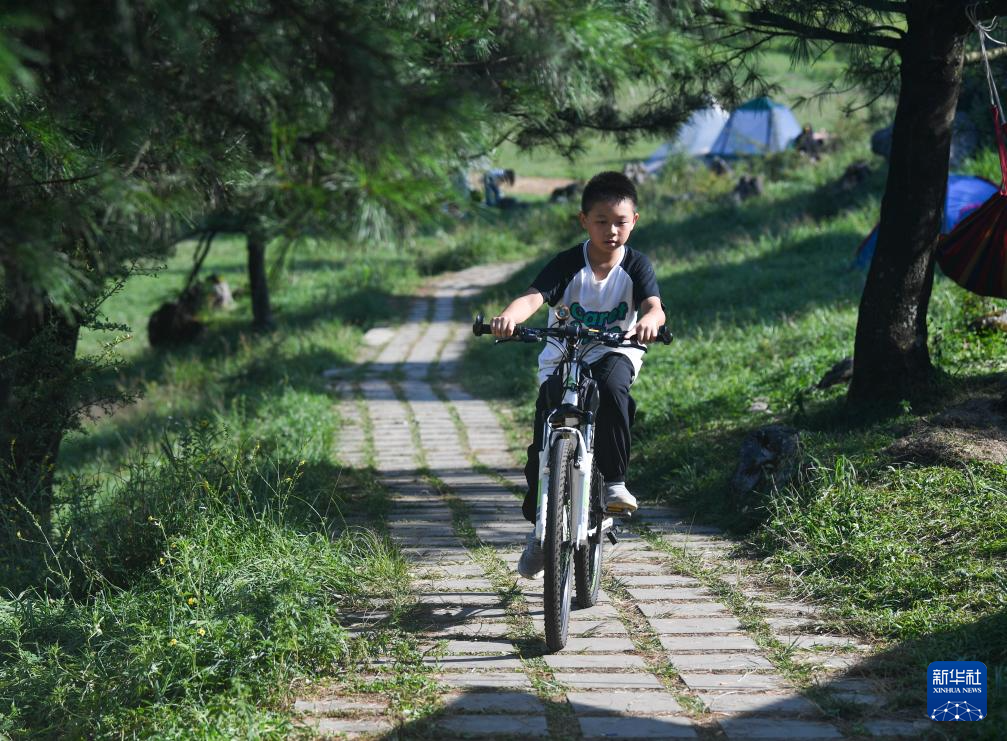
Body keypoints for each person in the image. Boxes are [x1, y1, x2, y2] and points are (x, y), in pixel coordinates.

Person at [489, 171, 665, 579]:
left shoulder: (636, 264)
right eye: (601, 221)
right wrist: (508, 319)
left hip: (615, 348)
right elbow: (534, 297)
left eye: (620, 222)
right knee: (547, 417)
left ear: (634, 221)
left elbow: (654, 304)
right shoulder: (570, 262)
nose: (611, 230)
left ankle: (615, 482)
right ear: (583, 221)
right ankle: (541, 529)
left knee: (611, 388)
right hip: (564, 350)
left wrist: (652, 319)